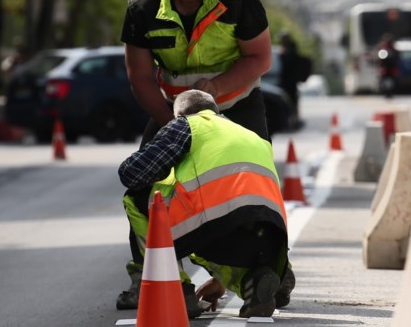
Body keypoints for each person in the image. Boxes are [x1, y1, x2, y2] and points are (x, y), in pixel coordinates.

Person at [117, 0, 274, 309]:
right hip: (175, 112)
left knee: (249, 185)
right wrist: (172, 124)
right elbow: (139, 76)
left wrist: (217, 87)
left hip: (237, 107)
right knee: (147, 188)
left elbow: (259, 58)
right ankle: (152, 278)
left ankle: (266, 273)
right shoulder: (143, 9)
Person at [118, 90, 294, 319]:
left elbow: (132, 173)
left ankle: (176, 289)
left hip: (215, 224)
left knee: (137, 198)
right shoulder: (252, 136)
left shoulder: (187, 125)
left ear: (180, 114)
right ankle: (254, 281)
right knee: (212, 225)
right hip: (270, 238)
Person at [277, 31, 303, 126]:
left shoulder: (289, 50)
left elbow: (288, 64)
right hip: (289, 80)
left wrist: (283, 55)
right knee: (291, 100)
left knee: (290, 100)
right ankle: (292, 118)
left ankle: (293, 119)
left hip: (289, 81)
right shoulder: (289, 49)